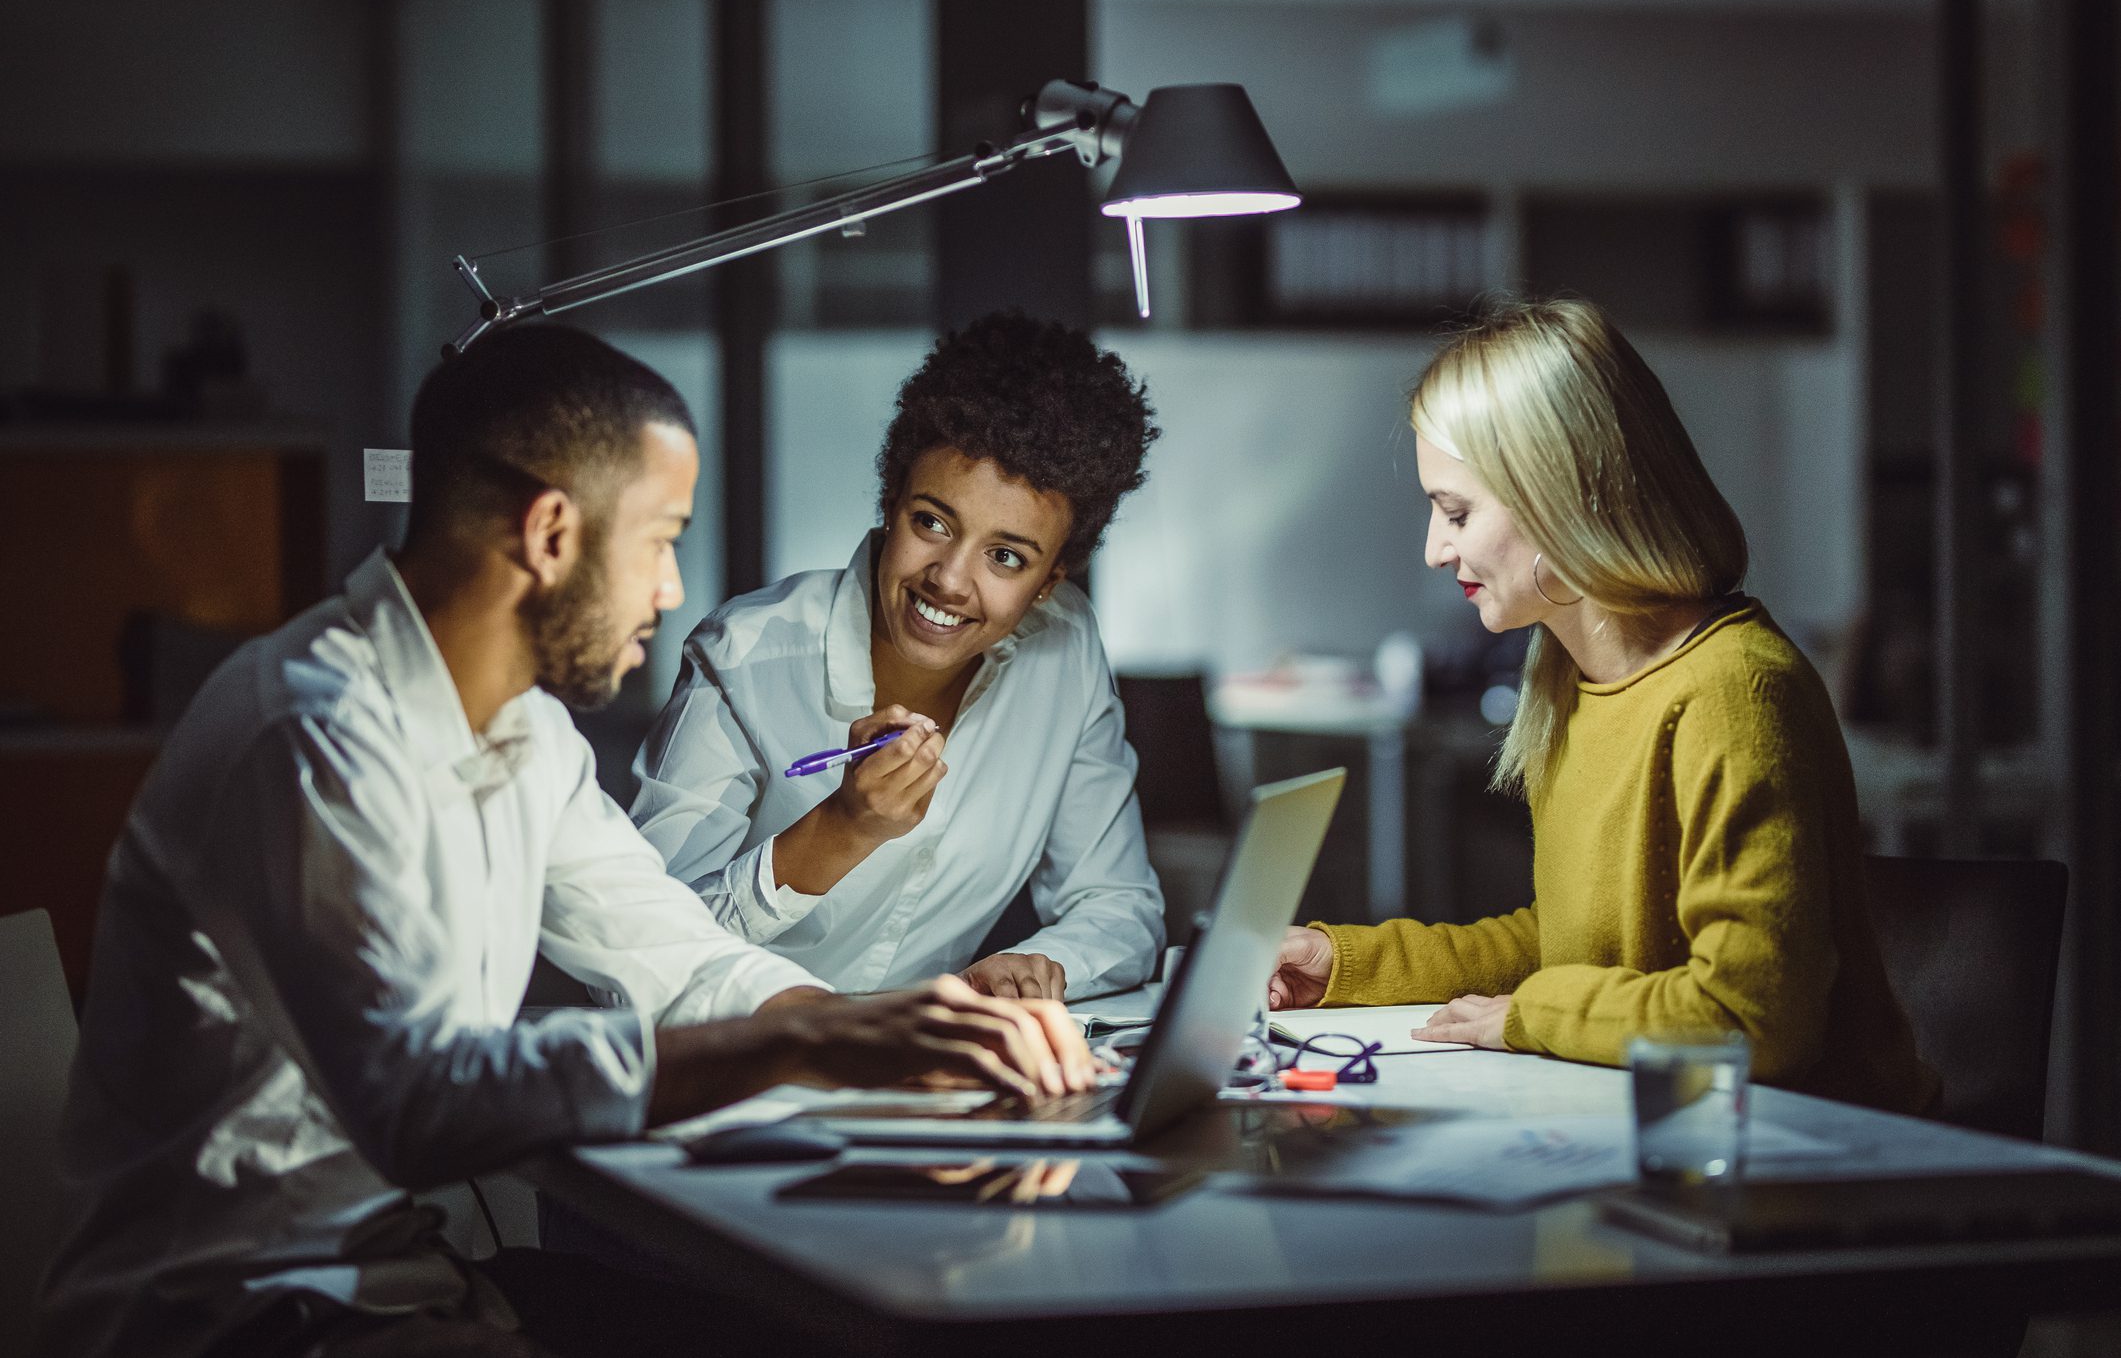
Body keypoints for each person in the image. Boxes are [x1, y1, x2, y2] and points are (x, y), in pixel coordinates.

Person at [38, 325, 1093, 1358]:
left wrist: (878, 1031)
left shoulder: (525, 729)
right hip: (234, 1311)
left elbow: (670, 950)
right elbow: (420, 1103)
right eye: (661, 540)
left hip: (399, 1274)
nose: (671, 590)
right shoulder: (313, 734)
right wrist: (806, 1045)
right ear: (551, 534)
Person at [1265, 298, 1936, 1116]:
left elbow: (1750, 1020)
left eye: (1457, 513)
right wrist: (1344, 965)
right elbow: (1575, 945)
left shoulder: (1733, 691)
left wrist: (1531, 1016)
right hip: (1664, 1133)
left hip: (1815, 1163)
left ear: (1558, 497)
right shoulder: (1567, 682)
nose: (1435, 550)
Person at [630, 310, 1165, 1002]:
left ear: (1048, 582)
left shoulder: (1064, 650)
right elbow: (641, 963)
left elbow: (1119, 907)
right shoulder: (745, 659)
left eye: (1006, 557)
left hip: (924, 1076)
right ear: (891, 501)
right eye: (932, 523)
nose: (948, 578)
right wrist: (839, 830)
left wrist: (1038, 967)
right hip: (749, 1077)